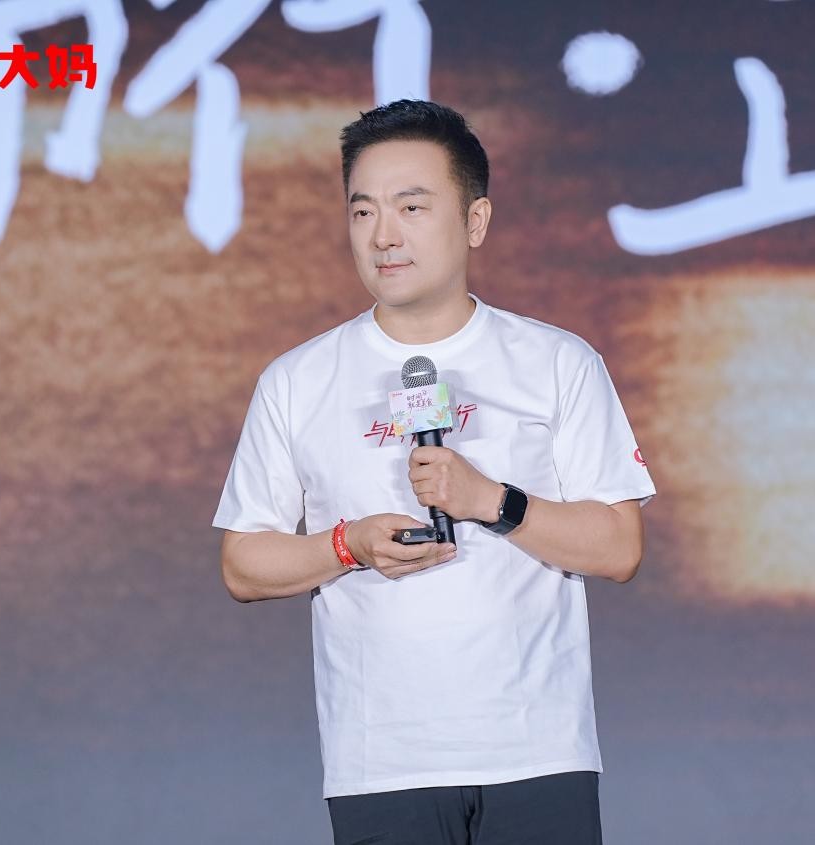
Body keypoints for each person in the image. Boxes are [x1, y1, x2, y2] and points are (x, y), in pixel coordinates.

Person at [212, 99, 655, 845]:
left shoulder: (556, 362)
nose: (383, 235)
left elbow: (619, 546)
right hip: (380, 761)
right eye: (363, 211)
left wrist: (492, 500)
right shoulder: (298, 379)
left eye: (411, 207)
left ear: (475, 221)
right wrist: (348, 544)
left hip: (538, 751)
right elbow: (242, 563)